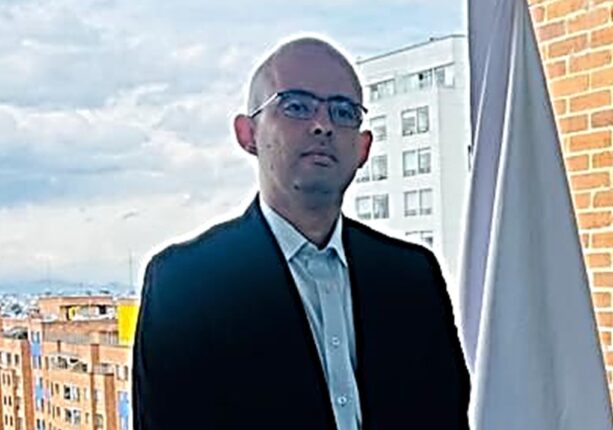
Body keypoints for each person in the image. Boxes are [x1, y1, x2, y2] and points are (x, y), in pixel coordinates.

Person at [132, 36, 470, 429]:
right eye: (296, 106)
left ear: (364, 147)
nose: (323, 125)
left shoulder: (413, 276)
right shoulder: (185, 285)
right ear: (247, 133)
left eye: (343, 111)